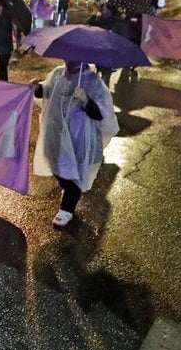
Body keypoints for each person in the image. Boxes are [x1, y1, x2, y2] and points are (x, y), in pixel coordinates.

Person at [30, 60, 118, 228]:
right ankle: (66, 188)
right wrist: (37, 88)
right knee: (56, 164)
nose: (69, 59)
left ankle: (66, 209)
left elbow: (101, 114)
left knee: (74, 171)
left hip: (78, 136)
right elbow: (47, 91)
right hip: (55, 132)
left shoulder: (93, 82)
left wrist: (86, 100)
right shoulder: (58, 73)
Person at [85, 5, 120, 86]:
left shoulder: (113, 21)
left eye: (106, 9)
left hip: (104, 54)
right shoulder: (101, 19)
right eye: (104, 9)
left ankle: (101, 95)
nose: (104, 11)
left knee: (103, 78)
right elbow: (88, 25)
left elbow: (87, 24)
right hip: (103, 53)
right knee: (102, 79)